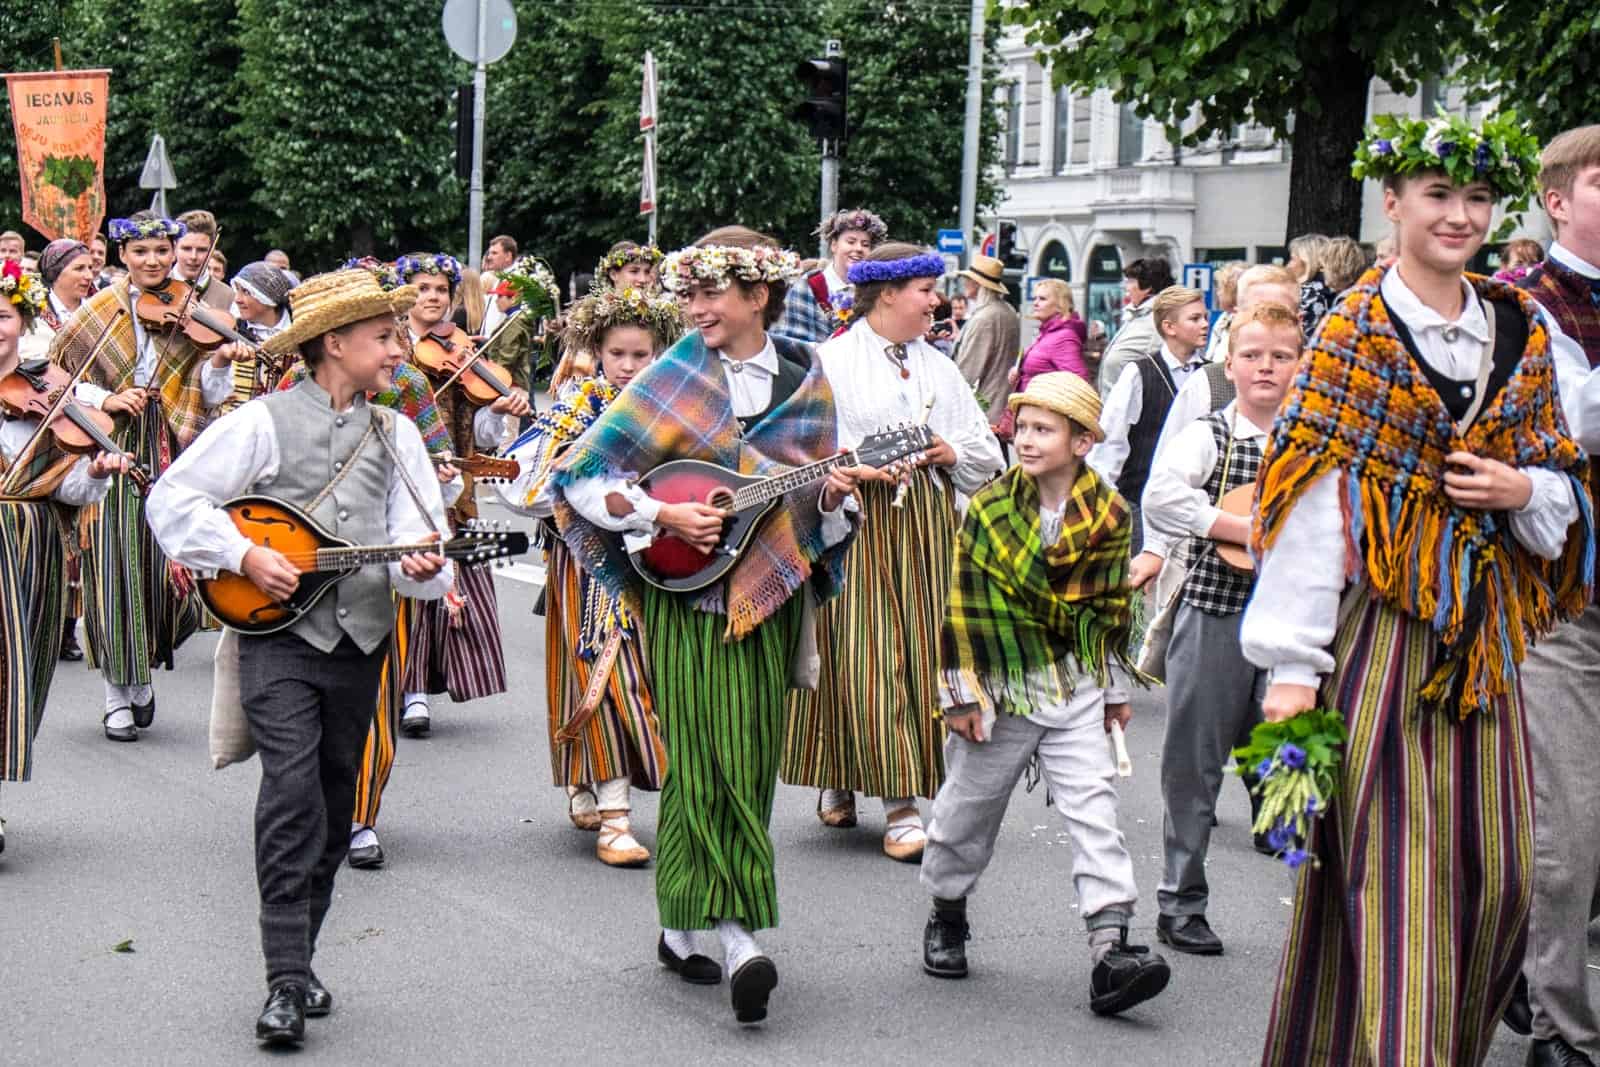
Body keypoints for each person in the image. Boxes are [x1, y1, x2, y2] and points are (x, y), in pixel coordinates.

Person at [1244, 111, 1591, 1066]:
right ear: (1391, 203)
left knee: (1506, 878)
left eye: (1477, 197)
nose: (1461, 215)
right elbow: (1310, 510)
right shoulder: (1353, 332)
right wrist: (1290, 674)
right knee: (1400, 885)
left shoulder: (1520, 325)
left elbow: (1558, 480)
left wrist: (1521, 488)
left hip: (1493, 649)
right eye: (1439, 195)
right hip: (1384, 646)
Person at [554, 227, 859, 1026]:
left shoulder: (806, 375)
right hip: (686, 595)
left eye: (709, 292)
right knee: (704, 753)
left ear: (758, 295)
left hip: (769, 597)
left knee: (750, 756)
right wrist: (661, 511)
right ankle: (736, 932)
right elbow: (585, 476)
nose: (692, 307)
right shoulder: (674, 371)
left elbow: (823, 496)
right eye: (687, 293)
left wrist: (834, 497)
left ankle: (680, 918)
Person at [145, 267, 452, 1047]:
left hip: (361, 641)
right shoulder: (261, 422)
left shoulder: (399, 433)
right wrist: (244, 555)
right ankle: (283, 979)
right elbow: (171, 499)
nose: (397, 349)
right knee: (291, 790)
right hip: (277, 637)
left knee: (336, 799)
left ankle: (302, 956)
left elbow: (430, 552)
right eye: (383, 337)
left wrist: (425, 566)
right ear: (334, 343)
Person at [920, 370, 1171, 1016]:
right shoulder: (988, 508)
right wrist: (960, 693)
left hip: (1075, 684)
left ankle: (1109, 947)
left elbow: (1111, 608)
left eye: (1043, 429)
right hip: (1001, 686)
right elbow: (962, 606)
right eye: (1022, 427)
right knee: (963, 815)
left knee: (1095, 810)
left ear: (1083, 440)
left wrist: (1115, 687)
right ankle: (947, 909)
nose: (1026, 440)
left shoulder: (1110, 512)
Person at [781, 244, 1004, 860]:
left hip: (927, 527)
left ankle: (853, 774)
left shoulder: (937, 364)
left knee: (920, 653)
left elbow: (983, 447)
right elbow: (804, 446)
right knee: (863, 652)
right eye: (926, 290)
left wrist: (948, 452)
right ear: (885, 295)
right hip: (857, 525)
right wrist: (854, 467)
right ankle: (901, 802)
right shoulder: (832, 360)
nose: (938, 301)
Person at [497, 285, 683, 866]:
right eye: (617, 355)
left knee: (656, 681)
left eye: (641, 355)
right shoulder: (577, 409)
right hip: (587, 564)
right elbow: (523, 487)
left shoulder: (673, 407)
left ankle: (593, 783)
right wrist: (563, 474)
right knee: (604, 675)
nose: (628, 366)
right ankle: (615, 817)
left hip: (661, 563)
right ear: (596, 353)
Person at [1140, 302, 1302, 958]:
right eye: (1254, 354)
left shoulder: (1311, 439)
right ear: (1229, 364)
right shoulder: (1211, 434)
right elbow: (1161, 496)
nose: (1266, 366)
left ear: (1300, 366)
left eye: (1281, 356)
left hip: (1293, 620)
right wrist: (1239, 528)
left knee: (1298, 755)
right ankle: (1181, 897)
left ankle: (1310, 903)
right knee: (1194, 762)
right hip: (1215, 612)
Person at [49, 211, 241, 742]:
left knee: (169, 570)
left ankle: (142, 672)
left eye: (162, 251)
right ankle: (117, 691)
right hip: (111, 442)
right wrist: (106, 397)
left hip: (173, 443)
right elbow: (58, 381)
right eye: (141, 253)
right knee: (113, 565)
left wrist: (223, 360)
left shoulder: (192, 308)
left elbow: (211, 390)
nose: (153, 261)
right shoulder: (98, 312)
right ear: (123, 258)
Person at [1509, 125, 1600, 1067]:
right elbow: (1568, 418)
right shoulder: (1527, 305)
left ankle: (1524, 966)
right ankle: (1561, 1031)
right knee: (1567, 827)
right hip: (1564, 597)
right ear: (1560, 200)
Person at [0, 260, 127, 858]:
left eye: (2, 316)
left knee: (13, 673)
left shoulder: (51, 398)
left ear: (20, 322)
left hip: (28, 548)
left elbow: (67, 489)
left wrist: (96, 473)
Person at [396, 252, 530, 737]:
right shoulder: (388, 349)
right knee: (404, 576)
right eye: (422, 289)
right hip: (395, 477)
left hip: (451, 478)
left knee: (440, 577)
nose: (432, 298)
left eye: (440, 291)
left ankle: (417, 690)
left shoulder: (463, 352)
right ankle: (401, 686)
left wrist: (500, 407)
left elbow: (483, 431)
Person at [1088, 285, 1208, 555]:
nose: (1204, 325)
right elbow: (1111, 440)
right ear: (1169, 327)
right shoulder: (1140, 373)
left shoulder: (1211, 375)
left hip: (1194, 503)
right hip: (1139, 499)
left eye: (1204, 317)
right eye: (1195, 318)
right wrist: (1104, 501)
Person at [775, 208, 887, 343]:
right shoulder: (806, 287)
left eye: (865, 244)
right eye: (851, 242)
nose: (858, 248)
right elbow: (789, 344)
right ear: (834, 245)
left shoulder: (876, 291)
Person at [952, 254, 1022, 422]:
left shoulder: (985, 318)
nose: (965, 283)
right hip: (1001, 404)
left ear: (977, 283)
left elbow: (966, 372)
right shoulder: (1008, 310)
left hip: (986, 408)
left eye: (968, 279)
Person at [1097, 257, 1174, 397]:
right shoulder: (1137, 314)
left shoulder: (1156, 317)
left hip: (1132, 408)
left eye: (1131, 281)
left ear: (1147, 287)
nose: (1126, 287)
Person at [1012, 278, 1090, 390]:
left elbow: (1079, 383)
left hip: (1041, 406)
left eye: (1042, 299)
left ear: (1060, 305)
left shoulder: (1064, 337)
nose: (1035, 303)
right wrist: (1021, 375)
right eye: (1035, 298)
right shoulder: (1049, 332)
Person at [173, 209, 235, 311]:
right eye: (186, 249)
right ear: (174, 247)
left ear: (212, 250)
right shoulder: (155, 287)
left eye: (201, 250)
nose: (193, 257)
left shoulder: (230, 297)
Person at [1287, 233, 1335, 335]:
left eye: (1293, 259)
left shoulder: (1309, 293)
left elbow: (1303, 337)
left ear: (1308, 261)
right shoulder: (1335, 288)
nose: (1288, 265)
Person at [594, 241, 663, 294]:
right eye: (634, 271)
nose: (643, 279)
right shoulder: (591, 311)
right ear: (613, 275)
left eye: (647, 272)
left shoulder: (661, 310)